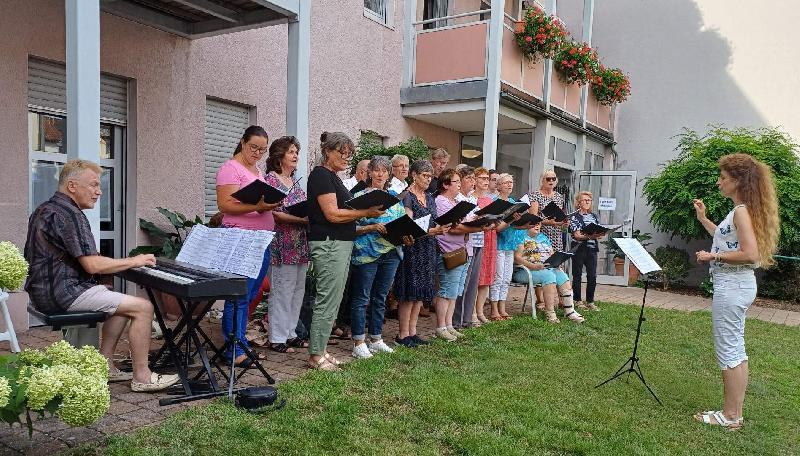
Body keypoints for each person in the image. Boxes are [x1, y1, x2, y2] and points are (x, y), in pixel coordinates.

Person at [24, 160, 179, 392]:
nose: (99, 192)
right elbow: (92, 264)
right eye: (94, 185)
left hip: (45, 291)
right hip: (62, 293)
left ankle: (103, 365)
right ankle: (143, 377)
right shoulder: (69, 214)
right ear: (72, 185)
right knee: (143, 307)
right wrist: (135, 261)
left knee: (119, 304)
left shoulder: (47, 208)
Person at [692, 153, 779, 429]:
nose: (719, 183)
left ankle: (730, 416)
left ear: (738, 181)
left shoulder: (742, 210)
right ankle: (734, 414)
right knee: (736, 350)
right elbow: (726, 236)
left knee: (728, 351)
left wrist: (712, 257)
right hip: (738, 285)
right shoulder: (741, 210)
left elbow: (749, 253)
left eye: (723, 178)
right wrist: (704, 219)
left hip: (733, 286)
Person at [306, 132, 384, 371]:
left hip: (339, 243)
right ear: (327, 151)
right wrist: (365, 213)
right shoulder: (320, 175)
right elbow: (332, 214)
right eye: (342, 153)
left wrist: (366, 219)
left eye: (349, 154)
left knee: (334, 299)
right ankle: (315, 355)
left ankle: (321, 350)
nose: (346, 158)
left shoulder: (333, 178)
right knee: (326, 300)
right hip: (329, 244)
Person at [216, 125, 280, 367]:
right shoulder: (230, 169)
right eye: (254, 147)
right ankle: (233, 349)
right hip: (240, 239)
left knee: (251, 294)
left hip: (260, 239)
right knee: (238, 295)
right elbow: (225, 206)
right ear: (242, 142)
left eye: (262, 150)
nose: (257, 153)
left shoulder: (257, 170)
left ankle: (239, 343)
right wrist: (258, 208)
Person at [349, 156, 410, 359]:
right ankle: (358, 341)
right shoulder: (358, 197)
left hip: (391, 253)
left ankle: (376, 339)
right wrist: (372, 226)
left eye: (384, 171)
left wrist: (407, 235)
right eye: (376, 170)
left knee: (380, 297)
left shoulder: (393, 196)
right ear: (369, 173)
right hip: (366, 255)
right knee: (361, 298)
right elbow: (350, 228)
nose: (380, 174)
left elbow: (401, 222)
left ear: (388, 174)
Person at [393, 160, 449, 348]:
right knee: (409, 293)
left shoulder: (430, 197)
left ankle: (413, 332)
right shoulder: (407, 196)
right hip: (413, 247)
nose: (428, 179)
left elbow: (433, 220)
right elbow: (408, 225)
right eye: (424, 175)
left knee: (420, 293)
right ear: (414, 175)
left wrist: (440, 227)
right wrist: (431, 231)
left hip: (428, 248)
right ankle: (403, 334)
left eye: (430, 176)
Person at [264, 136, 310, 353]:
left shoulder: (296, 181)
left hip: (300, 243)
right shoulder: (271, 180)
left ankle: (291, 332)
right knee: (282, 289)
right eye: (291, 152)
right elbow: (275, 214)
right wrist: (303, 219)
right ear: (279, 156)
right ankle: (277, 337)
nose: (295, 156)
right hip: (282, 243)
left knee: (297, 290)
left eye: (296, 152)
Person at [434, 169, 485, 341]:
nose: (458, 185)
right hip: (449, 250)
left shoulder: (457, 201)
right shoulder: (441, 201)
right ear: (445, 184)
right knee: (447, 289)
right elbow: (454, 227)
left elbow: (465, 222)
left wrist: (476, 223)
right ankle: (441, 326)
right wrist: (478, 227)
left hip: (462, 249)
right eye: (455, 182)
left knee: (455, 291)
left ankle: (449, 324)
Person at [512, 222, 584, 323]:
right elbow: (517, 258)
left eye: (539, 224)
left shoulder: (543, 237)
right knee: (548, 276)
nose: (537, 225)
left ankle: (569, 311)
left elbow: (551, 254)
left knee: (562, 275)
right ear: (527, 224)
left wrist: (556, 262)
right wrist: (534, 266)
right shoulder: (521, 236)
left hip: (545, 268)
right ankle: (550, 312)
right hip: (524, 271)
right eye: (534, 223)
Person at [488, 173, 526, 320]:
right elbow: (497, 228)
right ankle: (494, 310)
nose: (509, 185)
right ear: (498, 186)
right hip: (498, 244)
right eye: (505, 183)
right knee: (497, 277)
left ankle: (502, 309)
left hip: (510, 244)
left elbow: (514, 225)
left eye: (511, 182)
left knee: (506, 278)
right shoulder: (495, 202)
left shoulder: (513, 202)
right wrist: (510, 220)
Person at [452, 165, 483, 329]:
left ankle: (467, 318)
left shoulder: (472, 198)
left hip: (478, 241)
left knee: (472, 283)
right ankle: (457, 321)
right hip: (465, 243)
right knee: (461, 284)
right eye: (468, 179)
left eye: (473, 178)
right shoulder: (457, 199)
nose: (472, 182)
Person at [569, 191, 603, 311]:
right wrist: (590, 236)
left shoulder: (594, 216)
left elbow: (598, 233)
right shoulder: (574, 217)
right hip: (579, 249)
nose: (588, 202)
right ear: (579, 203)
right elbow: (577, 235)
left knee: (592, 276)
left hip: (592, 249)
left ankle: (590, 301)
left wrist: (600, 233)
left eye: (589, 200)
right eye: (585, 200)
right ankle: (577, 300)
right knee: (577, 275)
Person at [471, 167, 497, 324]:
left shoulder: (490, 200)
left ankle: (480, 311)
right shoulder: (470, 199)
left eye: (487, 179)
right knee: (476, 276)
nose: (486, 181)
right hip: (477, 237)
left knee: (487, 276)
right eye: (482, 178)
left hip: (491, 237)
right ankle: (472, 311)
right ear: (474, 180)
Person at [529, 170, 569, 252]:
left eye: (553, 179)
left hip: (556, 235)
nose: (551, 181)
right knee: (542, 260)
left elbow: (560, 215)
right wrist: (549, 222)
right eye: (548, 179)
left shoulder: (559, 196)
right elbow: (533, 218)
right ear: (542, 180)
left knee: (555, 261)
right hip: (541, 233)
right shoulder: (535, 195)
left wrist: (564, 222)